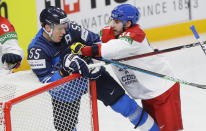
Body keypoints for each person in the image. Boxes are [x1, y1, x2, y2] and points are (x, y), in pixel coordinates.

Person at [27, 6, 159, 131]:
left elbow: (97, 42)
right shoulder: (36, 50)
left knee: (128, 106)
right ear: (47, 27)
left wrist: (94, 59)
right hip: (65, 91)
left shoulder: (72, 28)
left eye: (65, 26)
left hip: (92, 76)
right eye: (60, 28)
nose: (64, 31)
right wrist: (63, 72)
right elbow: (48, 84)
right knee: (66, 128)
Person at [77, 4, 183, 131]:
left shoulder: (136, 35)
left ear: (128, 23)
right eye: (112, 20)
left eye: (117, 22)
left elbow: (105, 49)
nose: (112, 25)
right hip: (147, 93)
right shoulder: (110, 32)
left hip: (163, 90)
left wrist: (82, 50)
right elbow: (100, 43)